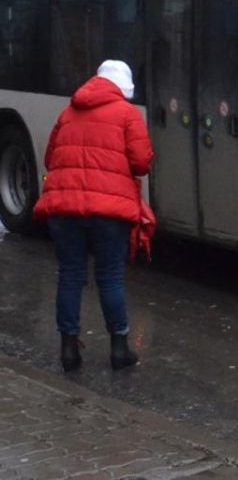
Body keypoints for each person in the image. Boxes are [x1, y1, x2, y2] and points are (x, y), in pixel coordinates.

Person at [33, 60, 154, 372]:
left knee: (71, 275)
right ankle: (119, 349)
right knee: (110, 276)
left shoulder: (67, 113)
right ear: (122, 88)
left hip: (64, 208)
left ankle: (69, 350)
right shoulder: (127, 114)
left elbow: (50, 158)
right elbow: (141, 163)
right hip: (108, 211)